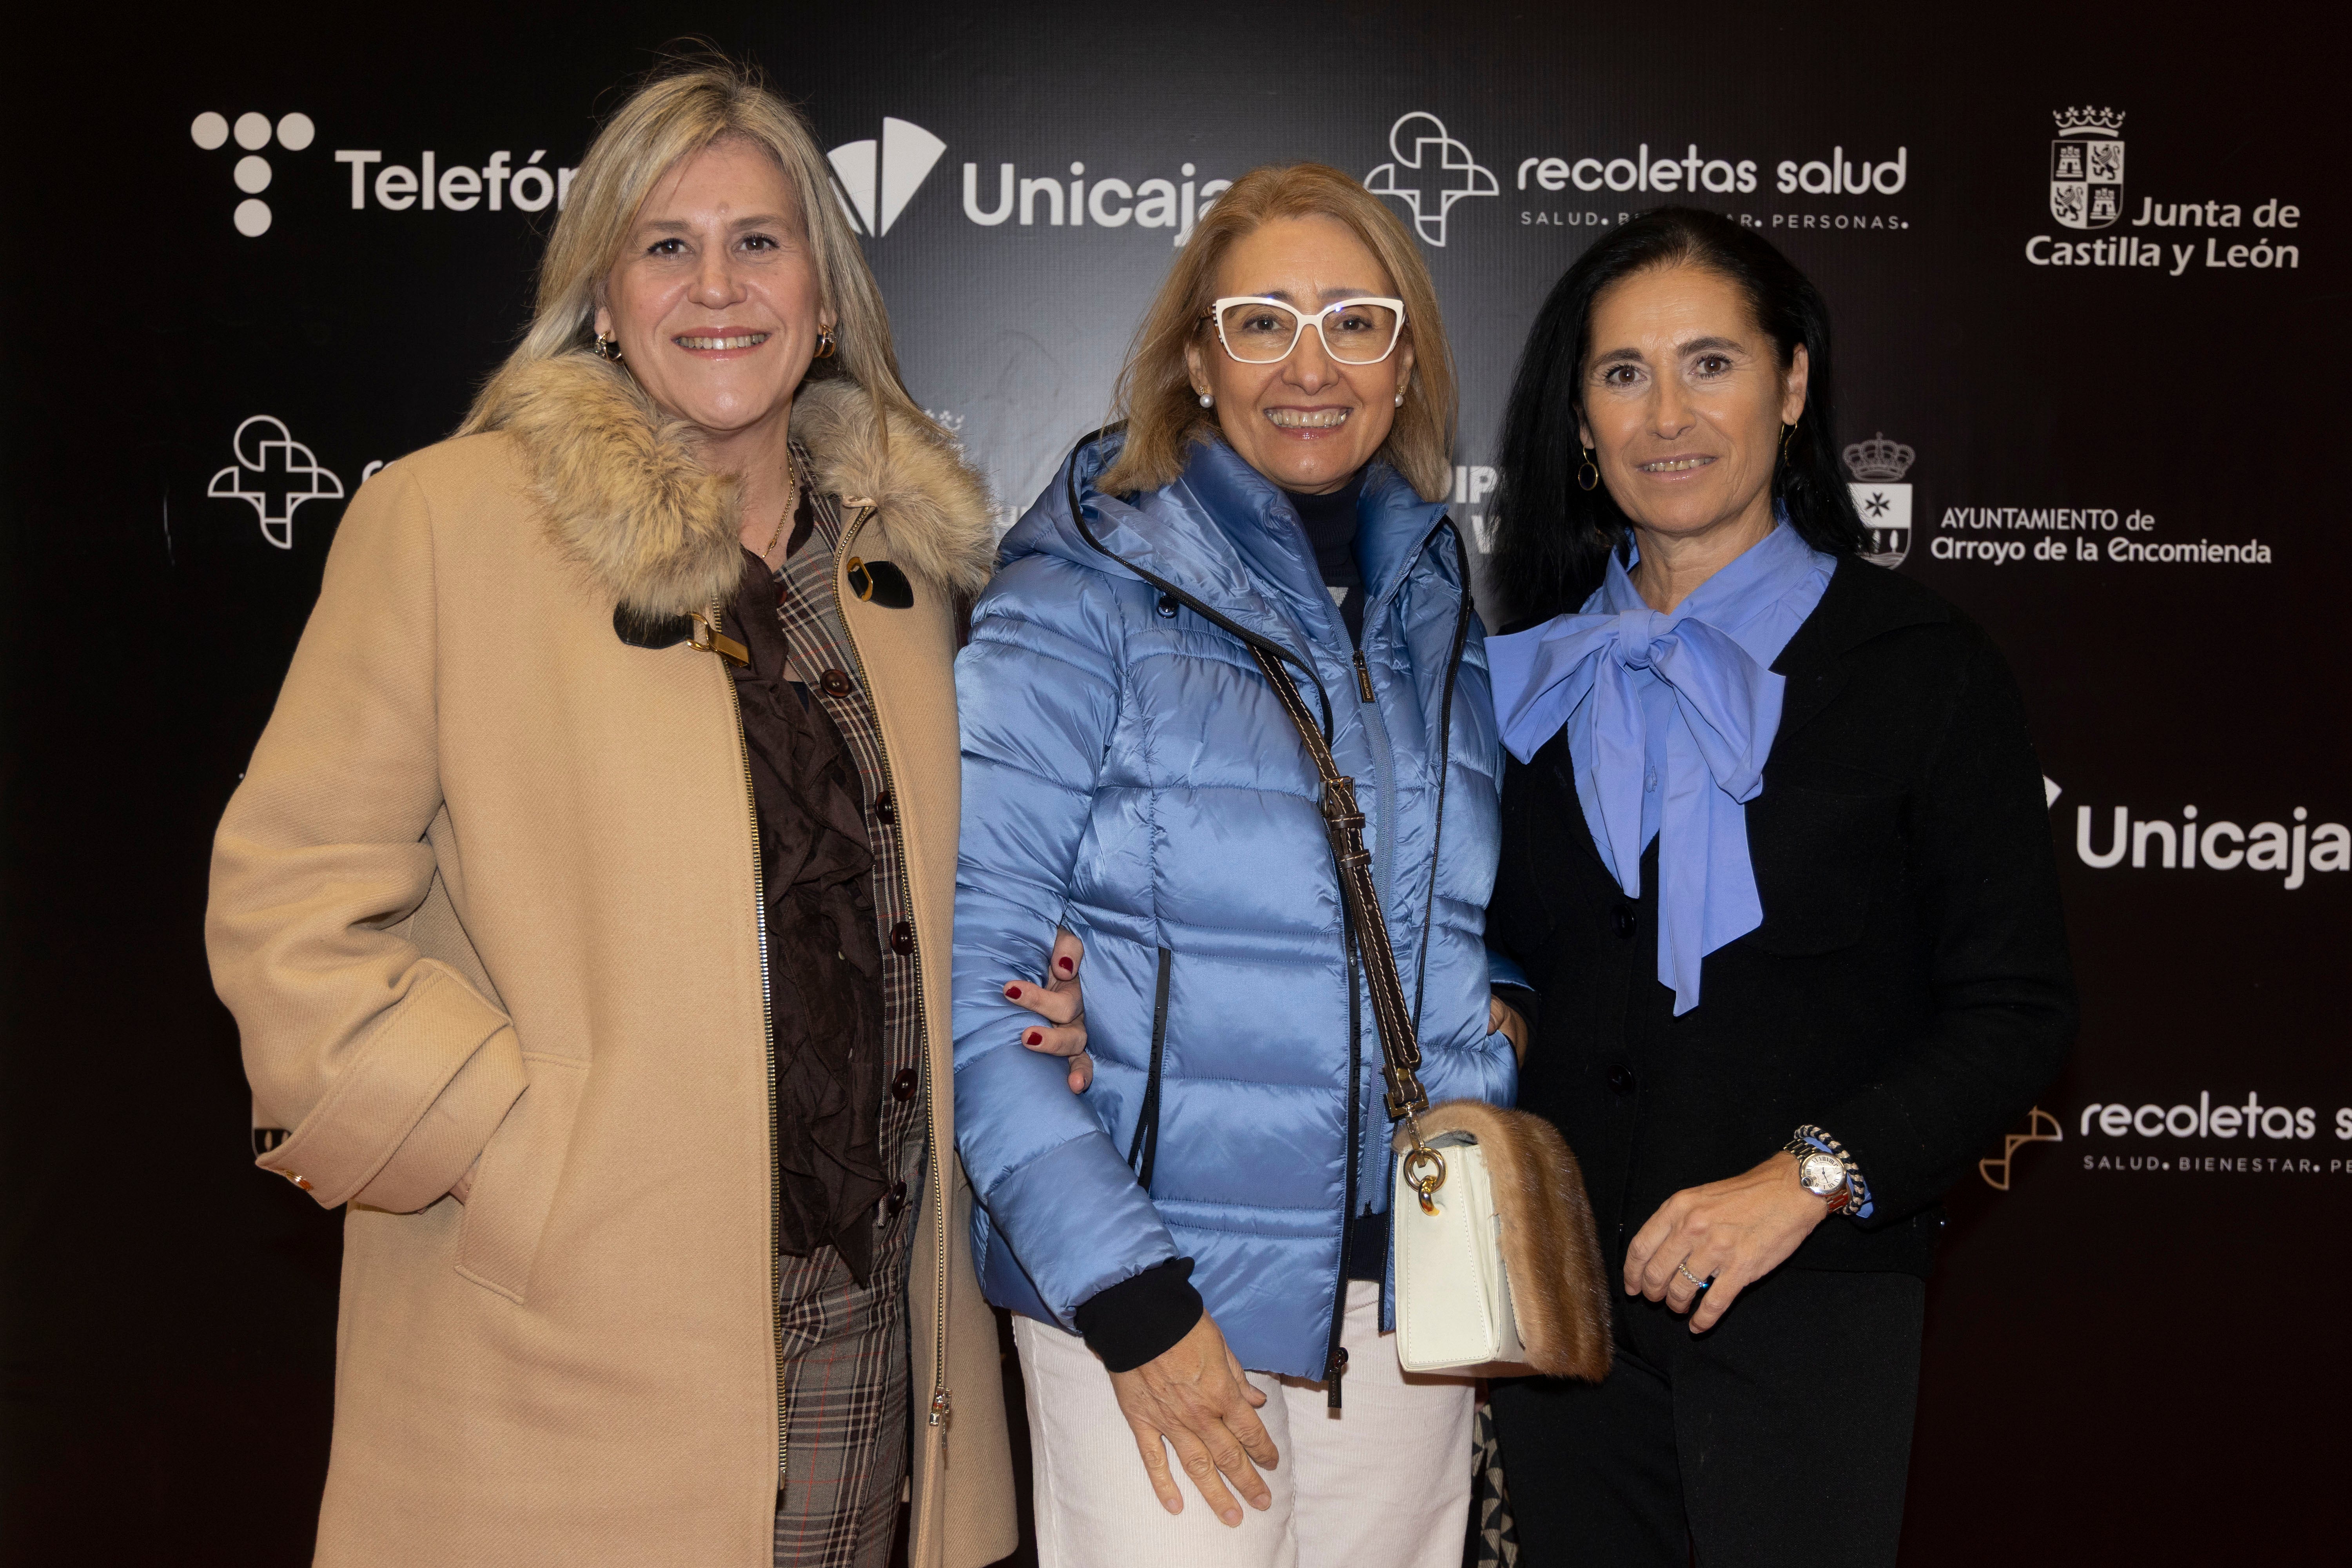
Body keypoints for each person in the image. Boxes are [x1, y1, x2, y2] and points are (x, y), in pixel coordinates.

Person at [204, 60, 1014, 1568]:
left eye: (760, 242)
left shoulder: (897, 580)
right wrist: (512, 1150)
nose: (718, 285)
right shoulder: (450, 523)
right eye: (666, 245)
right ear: (602, 299)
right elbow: (285, 903)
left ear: (824, 299)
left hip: (868, 1350)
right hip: (559, 1360)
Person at [1477, 207, 2076, 1566]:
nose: (1666, 414)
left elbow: (2017, 1013)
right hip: (1562, 1332)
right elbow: (1467, 965)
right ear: (1578, 418)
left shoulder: (1924, 670)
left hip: (1816, 1316)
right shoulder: (1513, 686)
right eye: (1623, 373)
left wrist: (1809, 1177)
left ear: (1793, 385)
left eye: (1712, 363)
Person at [949, 163, 1527, 1568]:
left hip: (1405, 1301)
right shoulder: (1073, 599)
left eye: (1354, 321)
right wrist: (1135, 1300)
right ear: (1199, 361)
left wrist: (1494, 1014)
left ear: (1407, 359)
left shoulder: (1430, 593)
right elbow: (978, 985)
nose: (1309, 364)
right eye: (1262, 321)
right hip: (1163, 1289)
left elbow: (1431, 897)